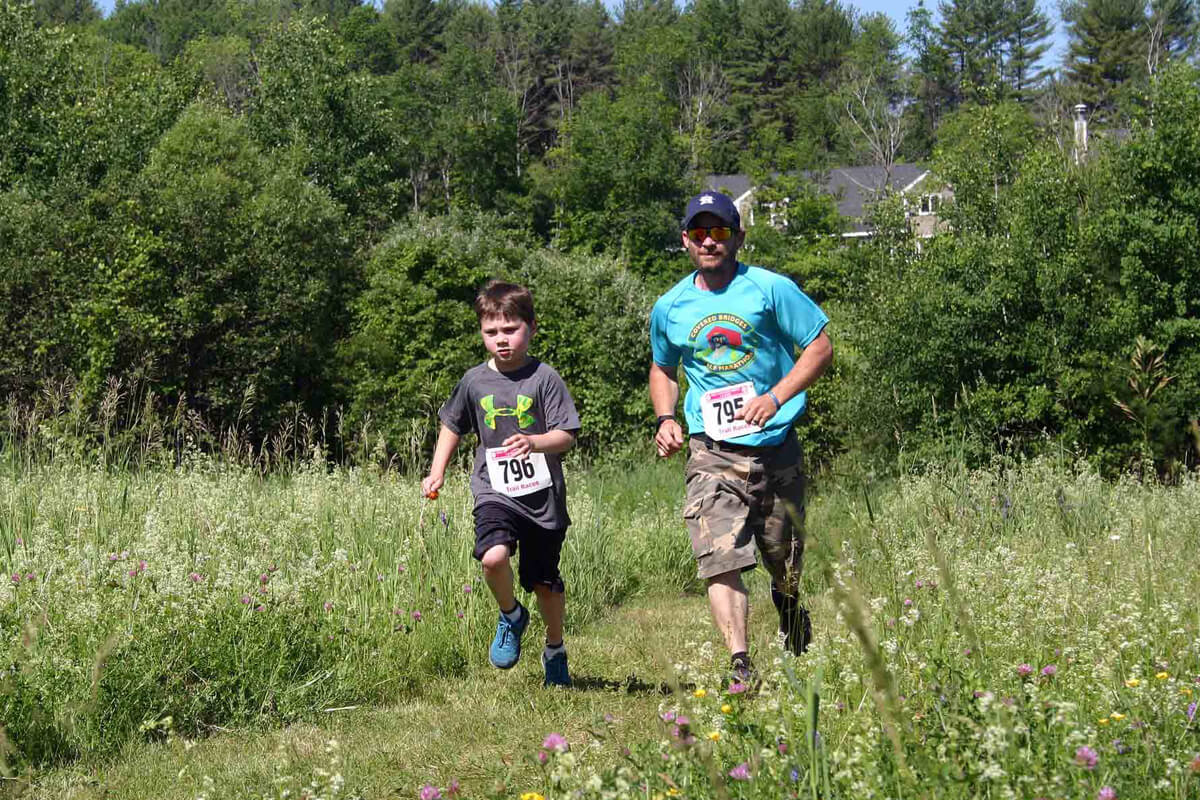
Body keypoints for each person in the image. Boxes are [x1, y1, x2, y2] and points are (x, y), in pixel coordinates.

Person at [649, 191, 832, 684]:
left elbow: (819, 348)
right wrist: (665, 418)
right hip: (711, 450)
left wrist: (774, 398)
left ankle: (789, 604)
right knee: (719, 556)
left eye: (721, 231)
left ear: (738, 237)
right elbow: (663, 368)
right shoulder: (670, 307)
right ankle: (740, 663)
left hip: (776, 447)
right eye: (700, 232)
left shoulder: (770, 289)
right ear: (685, 240)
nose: (710, 241)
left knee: (783, 558)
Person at [422, 280, 581, 687]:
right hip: (493, 488)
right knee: (492, 557)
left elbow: (566, 434)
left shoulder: (545, 378)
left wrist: (534, 441)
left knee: (544, 582)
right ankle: (511, 614)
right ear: (481, 334)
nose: (502, 339)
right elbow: (452, 423)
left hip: (543, 497)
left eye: (510, 329)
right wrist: (438, 468)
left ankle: (555, 648)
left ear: (531, 326)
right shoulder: (474, 381)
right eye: (492, 332)